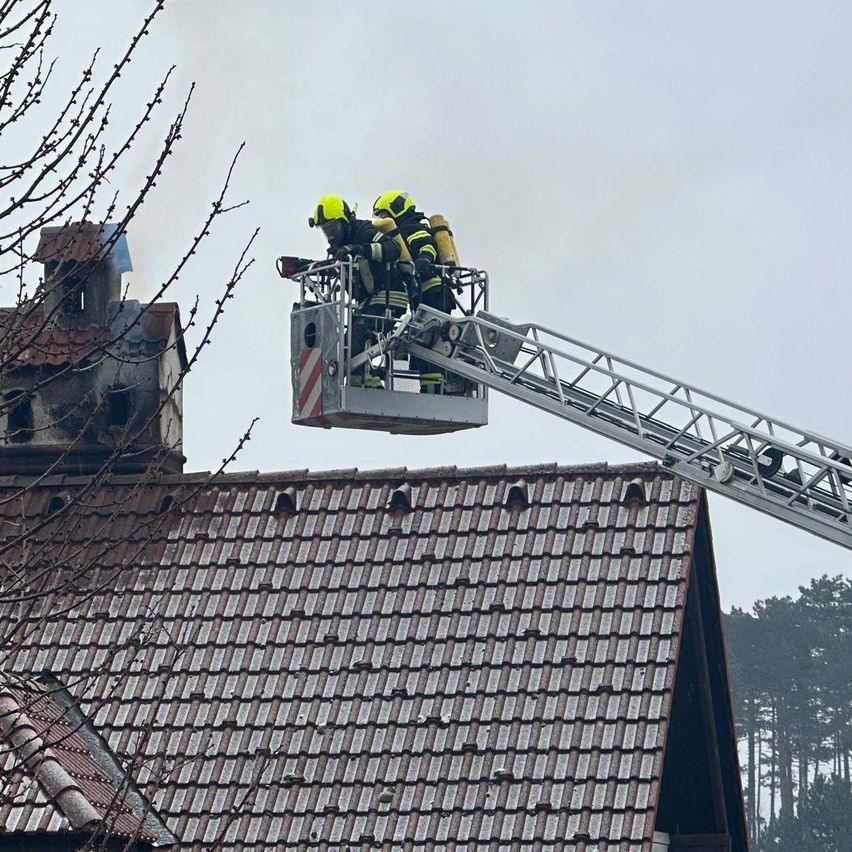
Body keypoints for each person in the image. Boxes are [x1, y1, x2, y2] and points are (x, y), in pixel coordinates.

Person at [309, 194, 407, 388]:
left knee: (357, 337)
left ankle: (362, 390)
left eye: (333, 228)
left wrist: (360, 249)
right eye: (325, 231)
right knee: (348, 346)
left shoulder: (364, 231)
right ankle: (369, 387)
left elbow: (393, 248)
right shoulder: (339, 248)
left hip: (389, 295)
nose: (330, 236)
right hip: (367, 302)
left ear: (345, 221)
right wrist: (309, 266)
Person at [372, 190, 455, 393]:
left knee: (429, 346)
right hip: (426, 297)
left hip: (434, 294)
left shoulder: (411, 227)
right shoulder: (401, 231)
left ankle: (433, 391)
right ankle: (431, 389)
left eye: (384, 215)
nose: (383, 221)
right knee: (425, 347)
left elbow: (425, 246)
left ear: (396, 209)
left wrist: (424, 259)